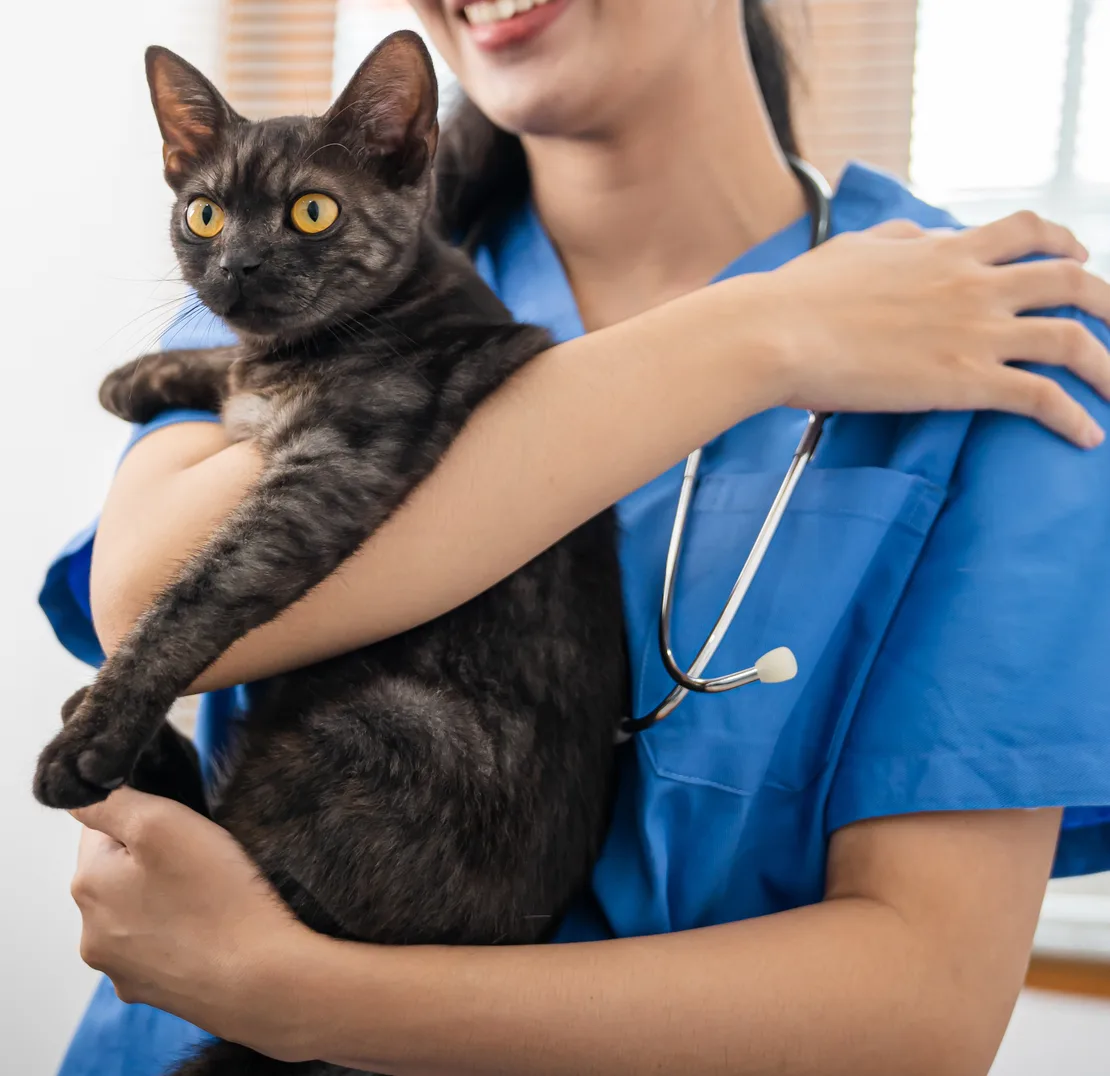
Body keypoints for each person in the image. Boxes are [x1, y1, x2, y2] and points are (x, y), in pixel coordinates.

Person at [41, 2, 1110, 1073]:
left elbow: (920, 1011)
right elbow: (148, 597)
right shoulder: (312, 260)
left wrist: (296, 994)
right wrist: (762, 334)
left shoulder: (990, 339)